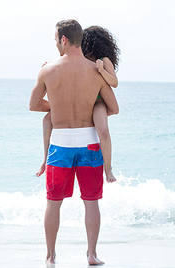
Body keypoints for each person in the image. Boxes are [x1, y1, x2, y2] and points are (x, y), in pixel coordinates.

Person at [29, 19, 119, 265]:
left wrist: (56, 106)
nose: (55, 43)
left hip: (60, 146)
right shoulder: (95, 70)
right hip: (90, 145)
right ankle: (91, 254)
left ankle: (50, 256)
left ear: (64, 40)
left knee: (53, 202)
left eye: (55, 39)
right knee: (91, 202)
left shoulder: (48, 70)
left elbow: (34, 105)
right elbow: (113, 106)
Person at [36, 26, 120, 183]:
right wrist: (50, 64)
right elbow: (67, 63)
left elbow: (114, 83)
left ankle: (108, 169)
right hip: (83, 100)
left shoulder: (104, 60)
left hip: (99, 101)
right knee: (46, 120)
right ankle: (45, 160)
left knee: (103, 130)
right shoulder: (84, 59)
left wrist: (102, 71)